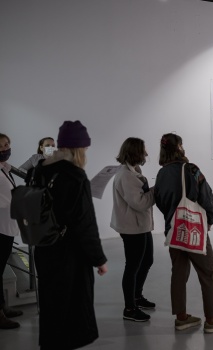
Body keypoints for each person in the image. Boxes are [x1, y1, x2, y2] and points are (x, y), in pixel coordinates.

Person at [32, 121, 108, 349]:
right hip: (69, 255)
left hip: (44, 249)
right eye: (85, 148)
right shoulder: (76, 177)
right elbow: (85, 224)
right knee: (71, 310)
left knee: (50, 306)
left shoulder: (41, 170)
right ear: (78, 149)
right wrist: (99, 259)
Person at [154, 133, 213, 333]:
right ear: (179, 147)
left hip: (172, 230)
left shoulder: (161, 173)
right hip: (193, 229)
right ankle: (212, 321)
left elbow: (160, 201)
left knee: (179, 273)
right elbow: (206, 196)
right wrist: (211, 219)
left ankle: (181, 318)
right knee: (209, 272)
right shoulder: (191, 169)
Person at [111, 137, 156, 322]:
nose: (146, 154)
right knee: (133, 266)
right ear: (135, 152)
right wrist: (156, 190)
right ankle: (129, 309)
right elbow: (139, 202)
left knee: (147, 261)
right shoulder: (126, 176)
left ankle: (137, 296)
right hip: (132, 228)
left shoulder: (134, 171)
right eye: (143, 150)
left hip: (139, 225)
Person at [0, 133, 23, 329]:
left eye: (7, 144)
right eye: (2, 145)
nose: (6, 148)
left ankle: (2, 308)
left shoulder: (4, 169)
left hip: (6, 227)